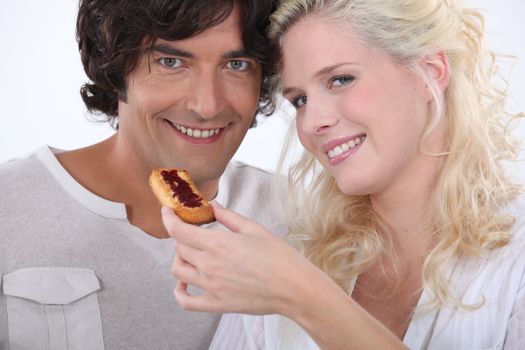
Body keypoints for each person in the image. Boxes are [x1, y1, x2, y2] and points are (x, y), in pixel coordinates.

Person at [161, 0, 525, 349]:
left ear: (430, 71)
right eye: (299, 99)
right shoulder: (284, 258)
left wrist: (304, 296)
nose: (314, 121)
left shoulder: (515, 258)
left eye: (340, 79)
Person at [0, 0, 284, 349]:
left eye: (237, 65)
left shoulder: (306, 219)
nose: (207, 105)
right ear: (117, 69)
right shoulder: (8, 207)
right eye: (171, 62)